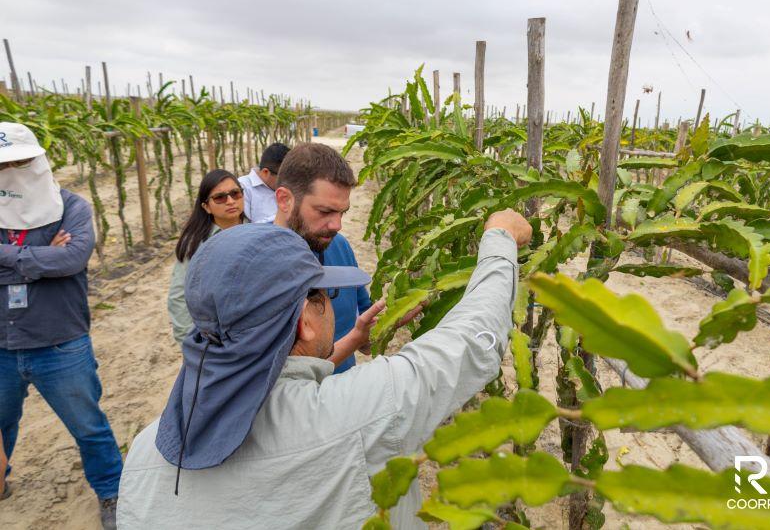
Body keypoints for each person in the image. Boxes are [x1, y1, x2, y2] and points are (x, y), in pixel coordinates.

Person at [117, 210, 531, 528]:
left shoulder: (145, 452)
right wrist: (500, 239)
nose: (333, 303)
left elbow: (271, 387)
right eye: (325, 293)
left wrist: (349, 342)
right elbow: (474, 339)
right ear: (304, 320)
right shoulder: (364, 412)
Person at [0, 122, 121, 529]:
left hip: (60, 342)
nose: (11, 170)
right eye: (3, 164)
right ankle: (1, 478)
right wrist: (39, 260)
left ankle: (112, 492)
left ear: (37, 162)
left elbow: (71, 260)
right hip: (2, 342)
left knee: (88, 425)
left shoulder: (70, 207)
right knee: (1, 425)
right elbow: (54, 263)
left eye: (19, 162)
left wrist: (11, 260)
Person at [274, 142, 419, 373]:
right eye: (325, 212)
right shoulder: (258, 267)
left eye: (343, 212)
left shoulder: (338, 245)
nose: (337, 225)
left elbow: (365, 341)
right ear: (284, 200)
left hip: (343, 393)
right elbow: (279, 379)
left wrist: (390, 320)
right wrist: (354, 338)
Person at [168, 169, 247, 344]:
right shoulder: (197, 243)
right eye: (220, 197)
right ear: (206, 207)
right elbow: (179, 294)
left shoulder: (256, 229)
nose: (231, 201)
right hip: (216, 333)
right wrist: (187, 341)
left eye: (236, 193)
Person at [238, 142, 290, 223]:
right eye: (283, 177)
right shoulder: (243, 187)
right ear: (265, 172)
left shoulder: (289, 186)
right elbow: (245, 228)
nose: (287, 181)